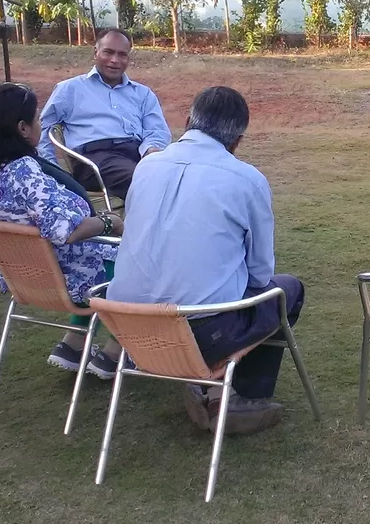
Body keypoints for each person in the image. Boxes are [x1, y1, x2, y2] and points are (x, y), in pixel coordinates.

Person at [107, 86, 304, 435]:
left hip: (127, 325)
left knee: (214, 291)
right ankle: (236, 399)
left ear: (187, 122)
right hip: (196, 332)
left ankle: (213, 391)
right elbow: (260, 275)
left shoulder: (145, 167)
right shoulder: (247, 180)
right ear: (238, 140)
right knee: (286, 290)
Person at [0, 83, 125, 378]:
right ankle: (115, 351)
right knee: (146, 258)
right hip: (70, 274)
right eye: (37, 119)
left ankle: (73, 344)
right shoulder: (23, 170)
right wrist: (109, 222)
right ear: (22, 128)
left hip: (27, 275)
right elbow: (66, 231)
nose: (40, 124)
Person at [37, 28, 172, 201]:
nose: (115, 60)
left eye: (122, 54)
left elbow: (157, 131)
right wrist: (53, 170)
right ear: (96, 52)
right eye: (108, 52)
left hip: (137, 156)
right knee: (149, 181)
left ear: (128, 58)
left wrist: (151, 153)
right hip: (94, 160)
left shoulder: (143, 94)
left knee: (178, 176)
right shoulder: (70, 89)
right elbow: (44, 128)